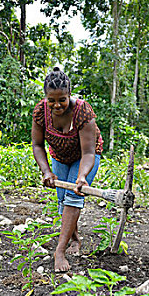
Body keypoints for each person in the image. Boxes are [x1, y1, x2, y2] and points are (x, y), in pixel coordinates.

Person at [31, 67, 104, 272]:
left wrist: (81, 176)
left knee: (74, 197)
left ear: (69, 95)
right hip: (60, 156)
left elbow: (88, 152)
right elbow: (37, 145)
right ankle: (75, 240)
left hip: (85, 156)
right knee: (62, 201)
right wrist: (46, 171)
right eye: (51, 100)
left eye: (62, 99)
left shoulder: (83, 112)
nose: (57, 105)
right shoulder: (40, 112)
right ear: (45, 97)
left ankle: (59, 251)